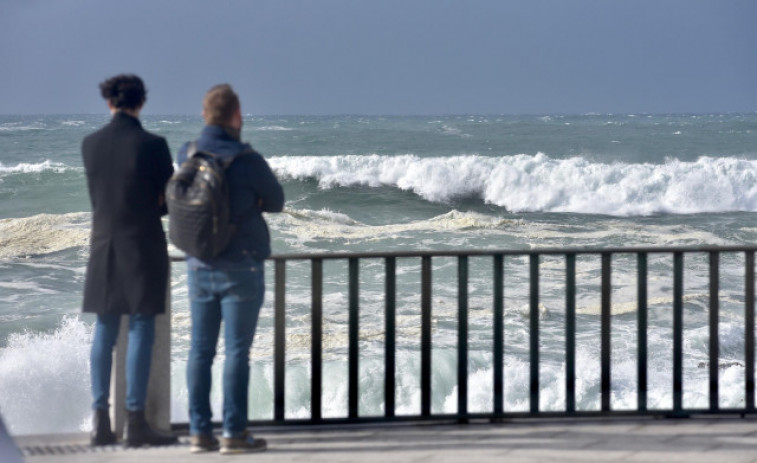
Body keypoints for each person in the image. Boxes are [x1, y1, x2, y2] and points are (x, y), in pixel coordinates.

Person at [179, 84, 284, 455]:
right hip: (241, 267)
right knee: (237, 351)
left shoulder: (188, 153)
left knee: (200, 351)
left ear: (205, 115)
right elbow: (277, 201)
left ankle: (198, 432)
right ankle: (234, 434)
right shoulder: (248, 159)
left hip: (198, 265)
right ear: (237, 116)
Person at [82, 74, 178, 447]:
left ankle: (99, 422)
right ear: (141, 102)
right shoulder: (152, 145)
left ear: (110, 103)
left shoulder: (90, 144)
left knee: (105, 330)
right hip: (143, 245)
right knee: (140, 327)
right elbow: (168, 200)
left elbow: (100, 196)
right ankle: (135, 422)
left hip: (104, 244)